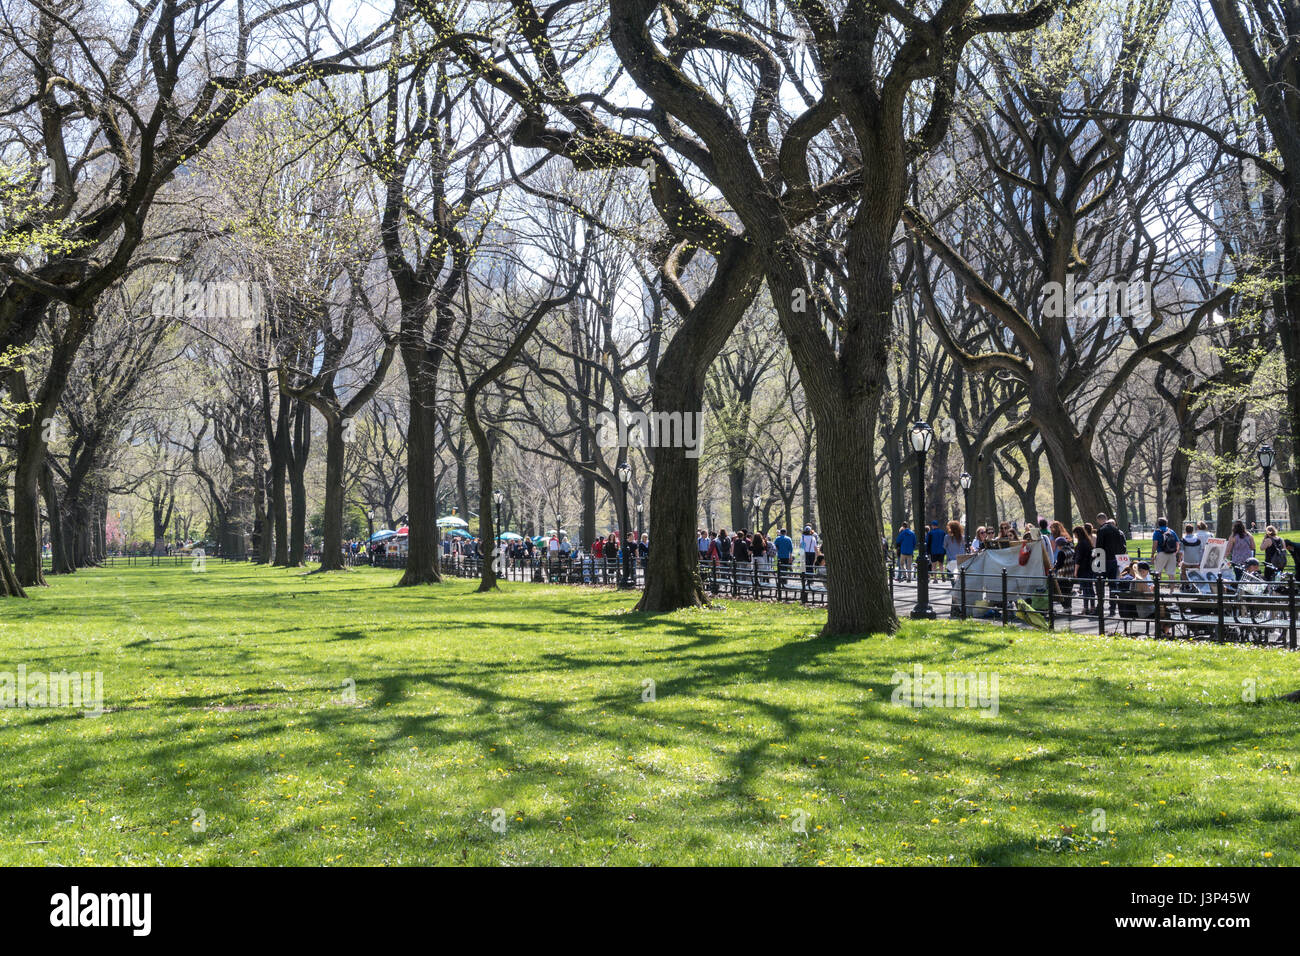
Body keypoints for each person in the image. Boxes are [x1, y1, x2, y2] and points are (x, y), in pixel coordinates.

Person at [1073, 525, 1095, 613]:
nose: (1074, 536)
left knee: (1085, 589)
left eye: (1075, 534)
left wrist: (1075, 571)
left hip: (1083, 568)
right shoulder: (1088, 542)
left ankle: (1085, 608)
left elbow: (1078, 559)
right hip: (1089, 568)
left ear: (1078, 534)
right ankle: (1092, 607)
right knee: (1090, 588)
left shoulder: (1080, 544)